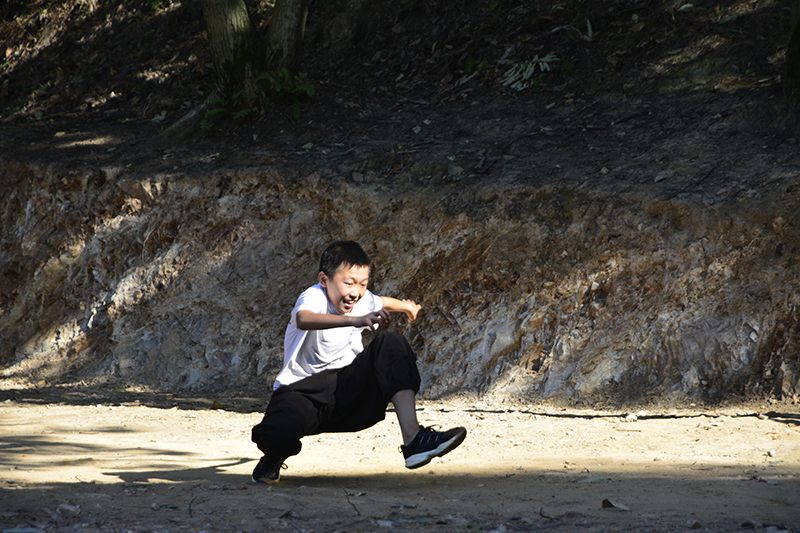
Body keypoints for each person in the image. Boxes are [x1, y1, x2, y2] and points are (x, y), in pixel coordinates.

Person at [251, 240, 467, 484]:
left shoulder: (361, 300)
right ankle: (272, 460)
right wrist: (354, 321)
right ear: (324, 280)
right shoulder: (312, 296)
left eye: (363, 284)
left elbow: (383, 301)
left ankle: (414, 439)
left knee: (391, 343)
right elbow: (304, 318)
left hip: (347, 391)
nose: (356, 291)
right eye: (349, 283)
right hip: (301, 393)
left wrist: (407, 307)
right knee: (277, 435)